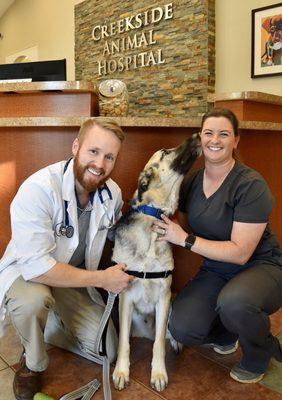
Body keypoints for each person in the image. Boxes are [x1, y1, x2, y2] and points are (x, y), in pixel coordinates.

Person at [0, 119, 134, 400]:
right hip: (29, 276)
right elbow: (36, 267)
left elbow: (114, 233)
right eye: (93, 152)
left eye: (109, 157)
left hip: (72, 281)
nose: (100, 164)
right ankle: (32, 363)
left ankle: (46, 324)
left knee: (106, 349)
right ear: (76, 147)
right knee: (33, 302)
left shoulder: (113, 194)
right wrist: (103, 279)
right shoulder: (39, 189)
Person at [152, 108, 282, 383]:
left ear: (236, 140)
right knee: (181, 328)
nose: (215, 140)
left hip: (261, 266)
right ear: (200, 139)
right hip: (216, 269)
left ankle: (260, 353)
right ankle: (227, 333)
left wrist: (184, 239)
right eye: (208, 133)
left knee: (235, 303)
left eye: (224, 134)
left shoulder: (250, 184)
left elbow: (240, 252)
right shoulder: (191, 183)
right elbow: (171, 212)